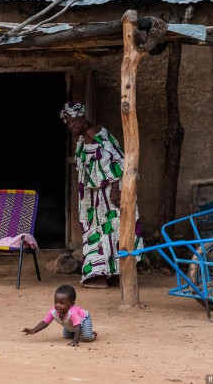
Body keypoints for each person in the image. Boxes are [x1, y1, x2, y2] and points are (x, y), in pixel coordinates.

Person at [60, 101, 143, 289]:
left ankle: (100, 276)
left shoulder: (93, 134)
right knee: (108, 232)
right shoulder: (84, 137)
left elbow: (118, 160)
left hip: (107, 195)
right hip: (97, 196)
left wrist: (115, 189)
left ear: (82, 117)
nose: (72, 125)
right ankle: (112, 274)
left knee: (106, 231)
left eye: (74, 121)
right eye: (68, 123)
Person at [22, 284, 96, 346]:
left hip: (83, 320)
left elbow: (78, 326)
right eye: (56, 302)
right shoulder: (53, 311)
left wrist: (75, 341)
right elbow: (45, 323)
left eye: (62, 303)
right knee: (67, 336)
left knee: (86, 337)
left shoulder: (72, 313)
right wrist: (33, 330)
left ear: (72, 304)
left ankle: (93, 334)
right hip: (69, 323)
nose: (58, 305)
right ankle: (78, 334)